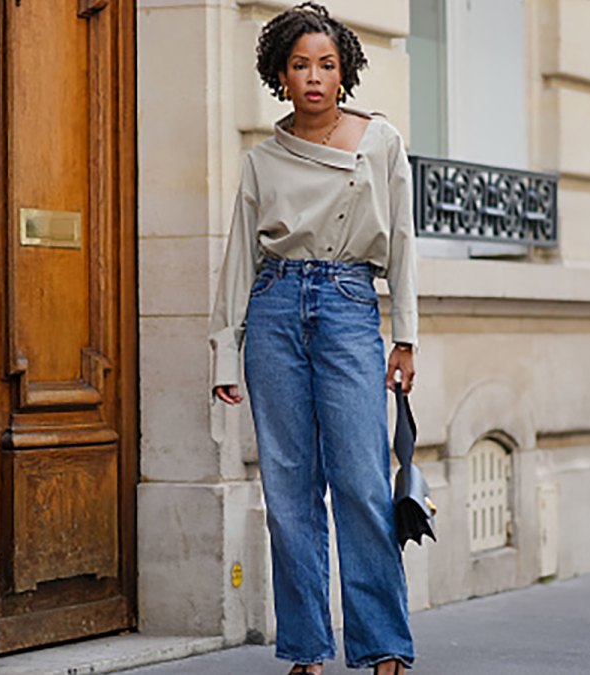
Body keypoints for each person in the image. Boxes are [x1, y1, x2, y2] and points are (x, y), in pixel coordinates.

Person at [207, 3, 418, 673]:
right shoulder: (262, 160)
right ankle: (304, 648)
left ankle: (384, 643)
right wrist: (224, 349)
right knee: (289, 491)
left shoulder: (380, 141)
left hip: (351, 306)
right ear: (280, 74)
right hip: (274, 313)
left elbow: (404, 244)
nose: (315, 77)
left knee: (360, 481)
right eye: (300, 65)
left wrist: (405, 337)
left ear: (345, 71)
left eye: (327, 64)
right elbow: (241, 256)